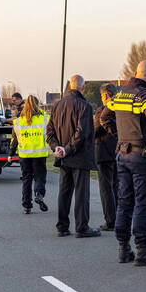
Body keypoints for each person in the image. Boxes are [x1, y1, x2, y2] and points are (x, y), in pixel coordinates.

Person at [100, 60, 146, 266]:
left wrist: (119, 137)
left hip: (122, 154)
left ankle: (123, 248)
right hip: (141, 156)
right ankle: (143, 250)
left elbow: (104, 118)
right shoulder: (145, 96)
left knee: (124, 201)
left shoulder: (120, 95)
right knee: (143, 203)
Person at [46, 75, 100, 238]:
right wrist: (67, 149)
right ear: (82, 87)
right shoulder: (84, 106)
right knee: (81, 194)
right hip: (79, 156)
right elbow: (81, 133)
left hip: (63, 156)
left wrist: (57, 148)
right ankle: (82, 227)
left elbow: (49, 131)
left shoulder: (57, 105)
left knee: (64, 192)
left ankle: (62, 226)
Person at [12, 95, 49, 214]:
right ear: (37, 105)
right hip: (39, 154)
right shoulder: (44, 118)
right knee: (40, 177)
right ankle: (39, 194)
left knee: (26, 179)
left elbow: (15, 139)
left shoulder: (18, 121)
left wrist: (10, 154)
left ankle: (27, 206)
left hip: (24, 155)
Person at [93, 83, 118, 232]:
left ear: (106, 95)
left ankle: (110, 221)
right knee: (117, 186)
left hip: (103, 153)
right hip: (118, 152)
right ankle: (120, 217)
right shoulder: (122, 109)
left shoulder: (102, 111)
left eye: (102, 95)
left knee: (106, 188)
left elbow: (96, 131)